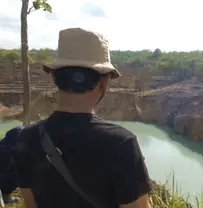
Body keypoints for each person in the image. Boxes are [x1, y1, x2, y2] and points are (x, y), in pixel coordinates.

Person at [12, 28, 152, 208]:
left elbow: (31, 205)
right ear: (104, 82)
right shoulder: (121, 143)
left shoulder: (26, 138)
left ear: (54, 77)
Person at [0, 125, 24, 204]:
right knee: (19, 173)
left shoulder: (4, 145)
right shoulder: (5, 152)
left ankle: (5, 195)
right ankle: (5, 196)